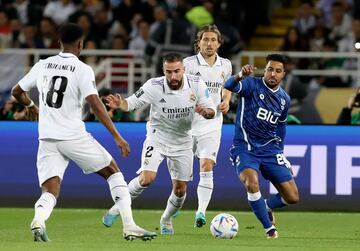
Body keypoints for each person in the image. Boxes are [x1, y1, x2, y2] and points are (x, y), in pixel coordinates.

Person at [11, 23, 156, 242]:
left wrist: (31, 106)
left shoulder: (43, 65)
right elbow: (96, 105)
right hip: (73, 136)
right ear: (81, 44)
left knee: (50, 188)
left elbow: (16, 91)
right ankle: (129, 226)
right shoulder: (82, 69)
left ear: (58, 42)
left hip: (47, 138)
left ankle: (39, 219)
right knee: (113, 172)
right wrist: (116, 136)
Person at [102, 52, 216, 235]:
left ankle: (166, 218)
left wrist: (205, 113)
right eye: (168, 72)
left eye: (176, 71)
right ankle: (117, 209)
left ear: (183, 69)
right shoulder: (153, 85)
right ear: (164, 70)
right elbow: (130, 103)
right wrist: (120, 104)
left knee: (180, 190)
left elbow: (212, 110)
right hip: (158, 137)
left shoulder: (196, 84)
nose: (172, 76)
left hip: (184, 140)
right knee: (147, 179)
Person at [223, 54, 299, 239]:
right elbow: (228, 86)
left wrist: (280, 150)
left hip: (271, 150)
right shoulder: (251, 85)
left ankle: (266, 205)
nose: (273, 74)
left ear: (283, 75)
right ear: (265, 70)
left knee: (292, 197)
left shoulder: (284, 99)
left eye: (278, 71)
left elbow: (281, 125)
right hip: (245, 147)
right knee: (252, 182)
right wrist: (240, 75)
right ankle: (269, 229)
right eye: (270, 69)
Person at [183, 24, 232, 228]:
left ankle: (200, 212)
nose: (209, 43)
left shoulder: (226, 65)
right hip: (186, 123)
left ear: (219, 43)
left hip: (212, 123)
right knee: (181, 177)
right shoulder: (189, 63)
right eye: (205, 39)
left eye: (213, 40)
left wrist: (226, 101)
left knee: (206, 165)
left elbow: (227, 87)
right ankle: (172, 209)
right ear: (198, 43)